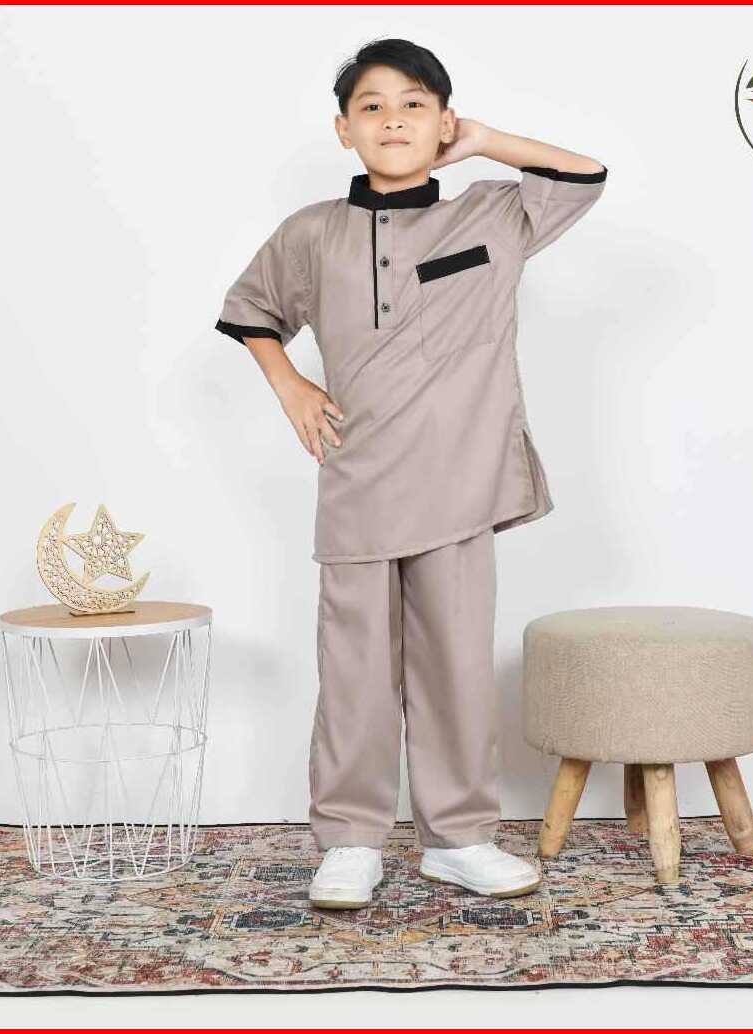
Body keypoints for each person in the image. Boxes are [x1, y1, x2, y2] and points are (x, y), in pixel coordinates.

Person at [215, 37, 608, 909]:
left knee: (456, 667)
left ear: (443, 121)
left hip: (461, 484)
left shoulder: (494, 216)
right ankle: (350, 842)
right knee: (353, 672)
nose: (393, 120)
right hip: (356, 480)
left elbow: (583, 175)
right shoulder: (312, 232)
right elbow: (251, 311)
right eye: (372, 106)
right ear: (343, 129)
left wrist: (487, 142)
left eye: (414, 105)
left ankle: (460, 839)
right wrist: (290, 387)